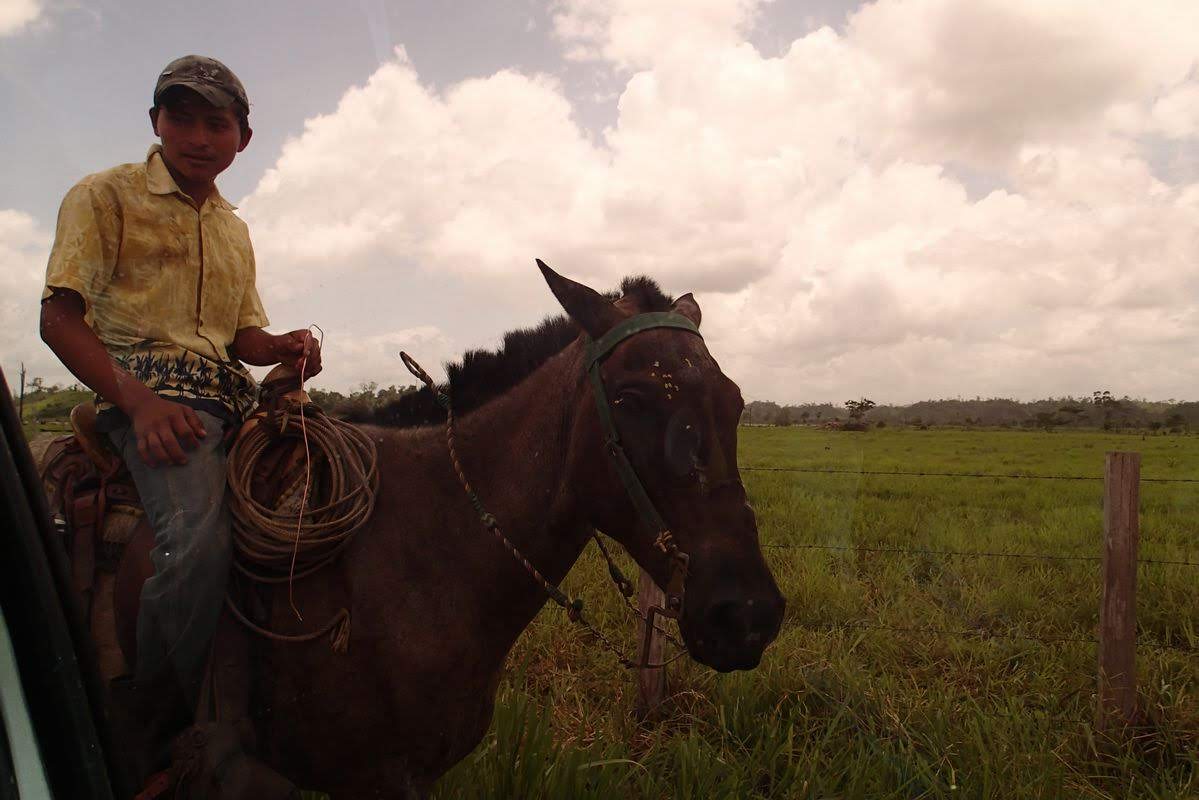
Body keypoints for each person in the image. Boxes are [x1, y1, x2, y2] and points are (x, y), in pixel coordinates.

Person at [39, 54, 315, 793]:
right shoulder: (106, 195)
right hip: (151, 402)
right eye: (181, 118)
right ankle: (150, 738)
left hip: (231, 401)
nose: (198, 136)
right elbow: (58, 317)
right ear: (155, 123)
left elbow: (241, 338)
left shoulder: (233, 230)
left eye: (215, 122)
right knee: (195, 542)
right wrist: (135, 403)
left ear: (243, 138)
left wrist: (281, 346)